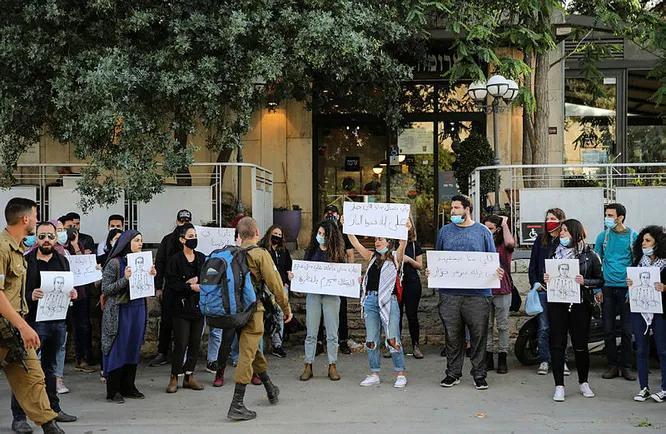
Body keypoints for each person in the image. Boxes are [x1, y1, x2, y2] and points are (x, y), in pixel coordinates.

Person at [0, 198, 64, 433]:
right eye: (35, 217)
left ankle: (49, 424)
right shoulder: (2, 248)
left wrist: (21, 325)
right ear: (25, 218)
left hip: (13, 330)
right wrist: (24, 326)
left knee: (34, 376)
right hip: (8, 327)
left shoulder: (18, 249)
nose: (36, 221)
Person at [427, 195, 504, 390]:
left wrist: (497, 271)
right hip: (450, 294)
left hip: (478, 295)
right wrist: (431, 271)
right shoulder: (444, 232)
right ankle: (453, 373)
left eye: (456, 208)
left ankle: (479, 374)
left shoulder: (483, 232)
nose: (452, 211)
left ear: (467, 209)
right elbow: (438, 257)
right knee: (452, 336)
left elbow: (491, 258)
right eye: (451, 208)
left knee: (478, 336)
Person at [10, 221, 78, 434]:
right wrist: (30, 295)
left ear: (56, 238)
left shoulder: (62, 260)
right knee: (25, 370)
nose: (46, 240)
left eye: (50, 236)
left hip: (58, 321)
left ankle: (53, 410)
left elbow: (67, 287)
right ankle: (19, 417)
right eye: (41, 236)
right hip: (34, 323)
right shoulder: (26, 261)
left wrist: (72, 293)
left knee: (51, 368)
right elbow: (16, 291)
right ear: (35, 239)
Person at [227, 217, 292, 421]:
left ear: (239, 235)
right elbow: (276, 284)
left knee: (252, 349)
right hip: (252, 310)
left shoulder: (230, 254)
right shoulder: (260, 254)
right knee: (247, 353)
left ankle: (270, 388)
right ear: (257, 234)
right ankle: (237, 403)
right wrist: (286, 308)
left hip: (232, 311)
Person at [544, 219, 604, 402]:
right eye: (561, 230)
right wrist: (546, 278)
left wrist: (585, 282)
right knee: (557, 343)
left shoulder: (589, 254)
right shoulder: (554, 252)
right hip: (557, 303)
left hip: (580, 304)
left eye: (566, 231)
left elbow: (600, 279)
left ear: (576, 233)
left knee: (580, 344)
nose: (562, 234)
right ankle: (559, 386)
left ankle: (583, 382)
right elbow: (546, 274)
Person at [346, 219, 410, 388]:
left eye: (380, 239)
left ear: (389, 242)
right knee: (371, 339)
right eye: (375, 239)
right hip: (370, 300)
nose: (377, 242)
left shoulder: (395, 257)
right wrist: (348, 227)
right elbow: (356, 244)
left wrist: (405, 230)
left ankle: (400, 374)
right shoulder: (372, 257)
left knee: (392, 337)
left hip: (389, 301)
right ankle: (374, 373)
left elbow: (403, 244)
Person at [101, 230, 155, 404]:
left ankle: (128, 386)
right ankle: (113, 389)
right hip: (120, 310)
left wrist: (150, 275)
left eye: (141, 240)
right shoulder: (114, 263)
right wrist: (125, 279)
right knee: (118, 348)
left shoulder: (143, 262)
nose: (140, 243)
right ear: (127, 242)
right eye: (137, 240)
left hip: (137, 308)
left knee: (133, 347)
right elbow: (106, 289)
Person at [298, 220, 347, 382]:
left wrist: (353, 279)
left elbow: (344, 273)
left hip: (331, 295)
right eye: (319, 233)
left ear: (331, 236)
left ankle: (332, 365)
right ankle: (308, 365)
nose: (321, 237)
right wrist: (295, 276)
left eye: (324, 234)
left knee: (332, 332)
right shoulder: (311, 251)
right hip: (314, 294)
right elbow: (303, 270)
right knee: (311, 332)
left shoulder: (337, 253)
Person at [594, 203, 637, 381]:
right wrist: (597, 288)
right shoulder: (602, 237)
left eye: (610, 215)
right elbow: (596, 263)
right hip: (607, 288)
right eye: (606, 215)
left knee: (627, 330)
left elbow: (637, 264)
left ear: (620, 218)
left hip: (626, 289)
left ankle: (626, 367)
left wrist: (631, 291)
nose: (607, 219)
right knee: (608, 329)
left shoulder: (633, 237)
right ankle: (612, 366)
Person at [165, 223, 206, 393]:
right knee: (181, 343)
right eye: (190, 236)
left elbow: (209, 276)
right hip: (181, 307)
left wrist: (198, 281)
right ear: (182, 240)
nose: (193, 239)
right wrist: (188, 287)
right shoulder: (174, 260)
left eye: (195, 236)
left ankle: (189, 375)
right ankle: (174, 376)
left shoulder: (201, 258)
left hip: (198, 306)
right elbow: (172, 283)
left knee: (195, 342)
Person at [528, 208, 569, 376]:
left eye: (553, 218)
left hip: (561, 290)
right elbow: (533, 264)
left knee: (561, 327)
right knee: (543, 327)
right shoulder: (540, 240)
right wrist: (535, 283)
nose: (549, 221)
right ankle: (544, 360)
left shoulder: (565, 240)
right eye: (547, 218)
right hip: (543, 290)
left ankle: (562, 360)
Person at [627, 226, 666, 403]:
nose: (644, 243)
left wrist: (664, 288)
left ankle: (664, 388)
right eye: (642, 240)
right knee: (641, 349)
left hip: (660, 311)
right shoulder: (639, 261)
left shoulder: (664, 263)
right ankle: (644, 388)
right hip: (640, 310)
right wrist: (631, 283)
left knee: (662, 350)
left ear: (658, 243)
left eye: (648, 240)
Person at [151, 209, 194, 367]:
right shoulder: (168, 240)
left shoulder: (193, 239)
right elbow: (160, 263)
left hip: (188, 287)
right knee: (166, 322)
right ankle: (162, 352)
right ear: (177, 222)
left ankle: (184, 355)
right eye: (181, 221)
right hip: (170, 287)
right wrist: (158, 287)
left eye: (187, 221)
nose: (184, 223)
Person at [59, 216, 96, 374]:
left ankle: (81, 359)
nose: (71, 230)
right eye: (67, 227)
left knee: (82, 327)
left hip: (79, 293)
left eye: (74, 227)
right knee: (62, 328)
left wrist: (75, 244)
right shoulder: (55, 248)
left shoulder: (78, 245)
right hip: (62, 295)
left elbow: (82, 264)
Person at [319, 205, 354, 355]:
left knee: (341, 309)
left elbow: (350, 254)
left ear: (338, 216)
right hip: (322, 276)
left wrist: (350, 274)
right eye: (327, 212)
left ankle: (343, 340)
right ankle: (320, 341)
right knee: (320, 310)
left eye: (333, 213)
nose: (330, 215)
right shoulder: (320, 231)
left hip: (339, 277)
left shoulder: (344, 233)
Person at [484, 214, 515, 374]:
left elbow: (510, 243)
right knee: (486, 325)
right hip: (485, 289)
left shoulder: (504, 244)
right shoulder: (482, 243)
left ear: (497, 229)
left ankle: (502, 356)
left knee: (502, 325)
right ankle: (488, 356)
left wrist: (504, 224)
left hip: (502, 289)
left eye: (490, 228)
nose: (487, 231)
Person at [258, 225, 292, 358]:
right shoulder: (262, 249)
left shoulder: (283, 251)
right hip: (265, 287)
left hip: (281, 286)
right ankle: (258, 348)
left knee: (280, 314)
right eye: (275, 233)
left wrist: (287, 280)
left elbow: (289, 267)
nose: (277, 236)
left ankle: (277, 345)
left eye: (279, 234)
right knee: (262, 315)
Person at [399, 217, 424, 359]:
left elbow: (420, 265)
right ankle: (395, 344)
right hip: (396, 282)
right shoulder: (392, 243)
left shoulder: (415, 245)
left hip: (412, 282)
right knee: (396, 315)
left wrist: (409, 260)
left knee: (412, 315)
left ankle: (416, 345)